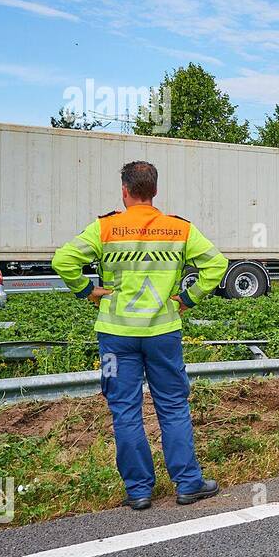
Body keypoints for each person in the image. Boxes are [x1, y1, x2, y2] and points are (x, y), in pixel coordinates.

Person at [52, 161, 229, 510]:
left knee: (124, 410)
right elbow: (217, 264)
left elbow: (63, 260)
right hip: (163, 332)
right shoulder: (179, 229)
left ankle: (138, 491)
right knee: (173, 405)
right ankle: (189, 483)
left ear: (124, 190)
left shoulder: (105, 227)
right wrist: (189, 298)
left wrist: (86, 290)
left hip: (115, 336)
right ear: (155, 191)